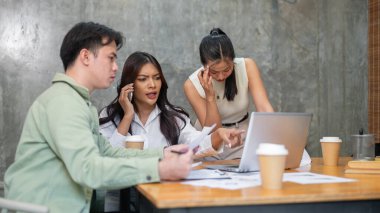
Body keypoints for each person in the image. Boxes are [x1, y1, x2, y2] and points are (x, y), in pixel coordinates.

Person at [3, 22, 193, 213]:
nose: (116, 67)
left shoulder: (79, 102)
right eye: (110, 58)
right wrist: (159, 170)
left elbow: (109, 153)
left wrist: (162, 154)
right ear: (85, 56)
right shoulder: (64, 102)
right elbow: (88, 169)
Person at [99, 51, 244, 212]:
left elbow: (195, 144)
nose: (152, 85)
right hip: (121, 198)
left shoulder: (174, 116)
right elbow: (107, 157)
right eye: (143, 79)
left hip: (162, 197)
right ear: (129, 84)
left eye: (157, 77)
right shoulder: (110, 116)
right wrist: (127, 116)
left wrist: (219, 135)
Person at [183, 28, 311, 163]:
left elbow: (263, 106)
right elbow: (213, 132)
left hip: (243, 137)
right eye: (214, 72)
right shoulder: (191, 85)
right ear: (204, 65)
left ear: (233, 61)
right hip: (212, 144)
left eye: (227, 69)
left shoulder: (247, 66)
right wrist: (210, 96)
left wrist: (277, 134)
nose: (221, 76)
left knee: (295, 156)